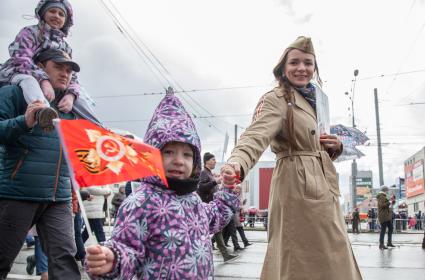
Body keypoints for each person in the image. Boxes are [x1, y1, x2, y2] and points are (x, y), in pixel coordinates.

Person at [221, 36, 362, 279]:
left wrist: (335, 146)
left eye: (308, 63)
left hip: (323, 184)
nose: (302, 68)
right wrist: (237, 162)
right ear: (283, 69)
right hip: (296, 186)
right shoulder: (277, 98)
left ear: (314, 68)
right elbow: (254, 135)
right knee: (300, 259)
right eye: (295, 62)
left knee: (331, 256)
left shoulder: (317, 100)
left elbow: (315, 141)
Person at [85, 88, 240, 279]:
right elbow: (127, 248)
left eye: (187, 154)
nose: (179, 161)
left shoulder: (193, 200)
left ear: (195, 162)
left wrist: (228, 190)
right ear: (151, 154)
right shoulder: (140, 202)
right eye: (168, 152)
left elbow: (215, 216)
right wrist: (113, 259)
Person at [0, 49, 82, 279]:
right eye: (58, 67)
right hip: (19, 192)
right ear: (39, 67)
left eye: (69, 70)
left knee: (65, 262)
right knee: (2, 258)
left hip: (59, 197)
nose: (65, 74)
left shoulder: (72, 105)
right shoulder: (14, 93)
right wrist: (23, 122)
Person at [0, 0, 99, 131]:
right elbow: (21, 58)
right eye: (52, 11)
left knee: (79, 96)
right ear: (42, 13)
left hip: (45, 77)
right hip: (18, 72)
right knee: (29, 80)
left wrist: (71, 95)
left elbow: (72, 76)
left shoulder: (66, 47)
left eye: (61, 14)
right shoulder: (30, 32)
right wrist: (44, 79)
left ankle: (100, 128)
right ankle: (43, 111)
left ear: (66, 20)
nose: (56, 16)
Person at [197, 152, 239, 261]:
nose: (215, 161)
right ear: (206, 161)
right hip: (206, 206)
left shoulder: (210, 173)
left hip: (213, 206)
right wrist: (215, 182)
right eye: (213, 159)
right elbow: (201, 187)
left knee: (217, 229)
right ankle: (203, 255)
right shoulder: (204, 173)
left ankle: (224, 254)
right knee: (211, 230)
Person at [377, 185, 396, 249]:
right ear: (384, 191)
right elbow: (382, 205)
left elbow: (387, 204)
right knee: (383, 230)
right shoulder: (381, 197)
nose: (388, 192)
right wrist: (389, 202)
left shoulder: (383, 197)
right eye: (387, 190)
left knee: (391, 228)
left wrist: (391, 201)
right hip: (383, 216)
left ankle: (389, 242)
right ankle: (381, 244)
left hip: (387, 216)